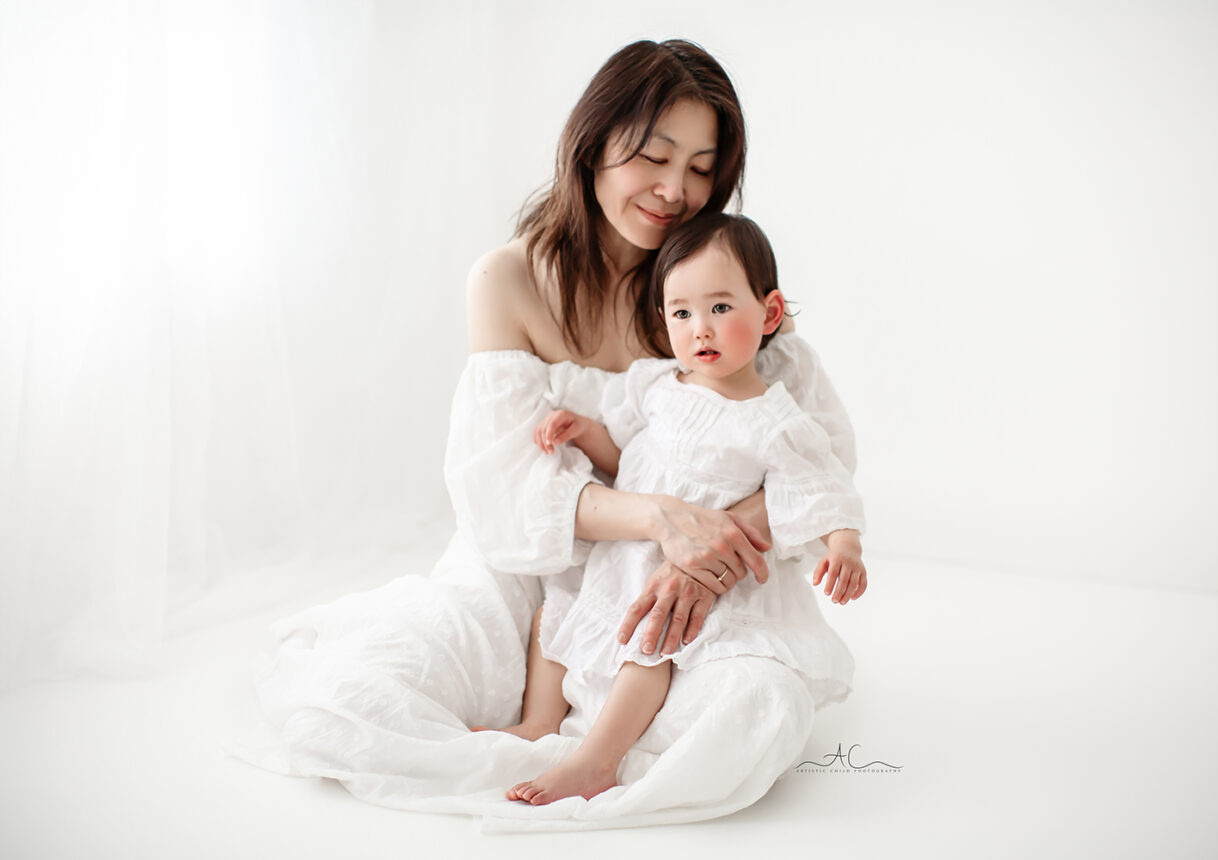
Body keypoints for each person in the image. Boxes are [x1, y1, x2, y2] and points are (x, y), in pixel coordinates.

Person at [246, 39, 867, 829]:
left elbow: (817, 460)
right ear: (595, 142)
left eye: (704, 167)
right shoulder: (507, 279)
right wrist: (657, 517)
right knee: (355, 699)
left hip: (708, 575)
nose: (677, 190)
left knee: (748, 715)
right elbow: (505, 488)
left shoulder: (711, 284)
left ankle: (593, 756)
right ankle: (545, 732)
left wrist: (703, 553)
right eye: (654, 154)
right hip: (534, 560)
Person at [501, 213, 867, 806]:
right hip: (624, 558)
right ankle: (539, 723)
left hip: (688, 574)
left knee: (650, 650)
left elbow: (820, 486)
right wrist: (586, 433)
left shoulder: (775, 420)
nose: (701, 329)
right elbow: (630, 466)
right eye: (682, 313)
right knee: (552, 615)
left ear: (770, 314)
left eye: (721, 308)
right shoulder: (658, 386)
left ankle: (598, 759)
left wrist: (843, 544)